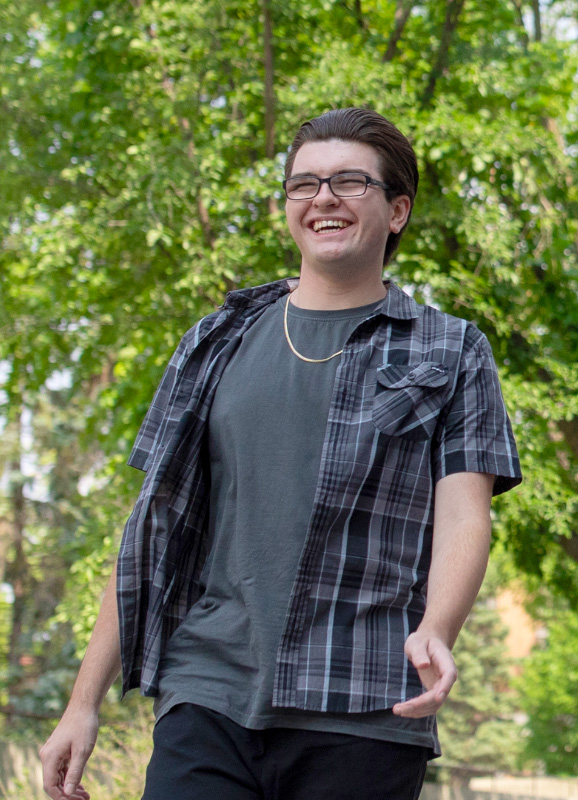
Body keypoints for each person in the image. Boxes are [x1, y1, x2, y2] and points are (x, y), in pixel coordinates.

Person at [39, 107, 522, 800]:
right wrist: (82, 702)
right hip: (206, 695)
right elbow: (153, 525)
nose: (323, 198)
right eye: (304, 184)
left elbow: (465, 516)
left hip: (362, 708)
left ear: (397, 211)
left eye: (350, 182)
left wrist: (438, 628)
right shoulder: (216, 341)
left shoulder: (450, 349)